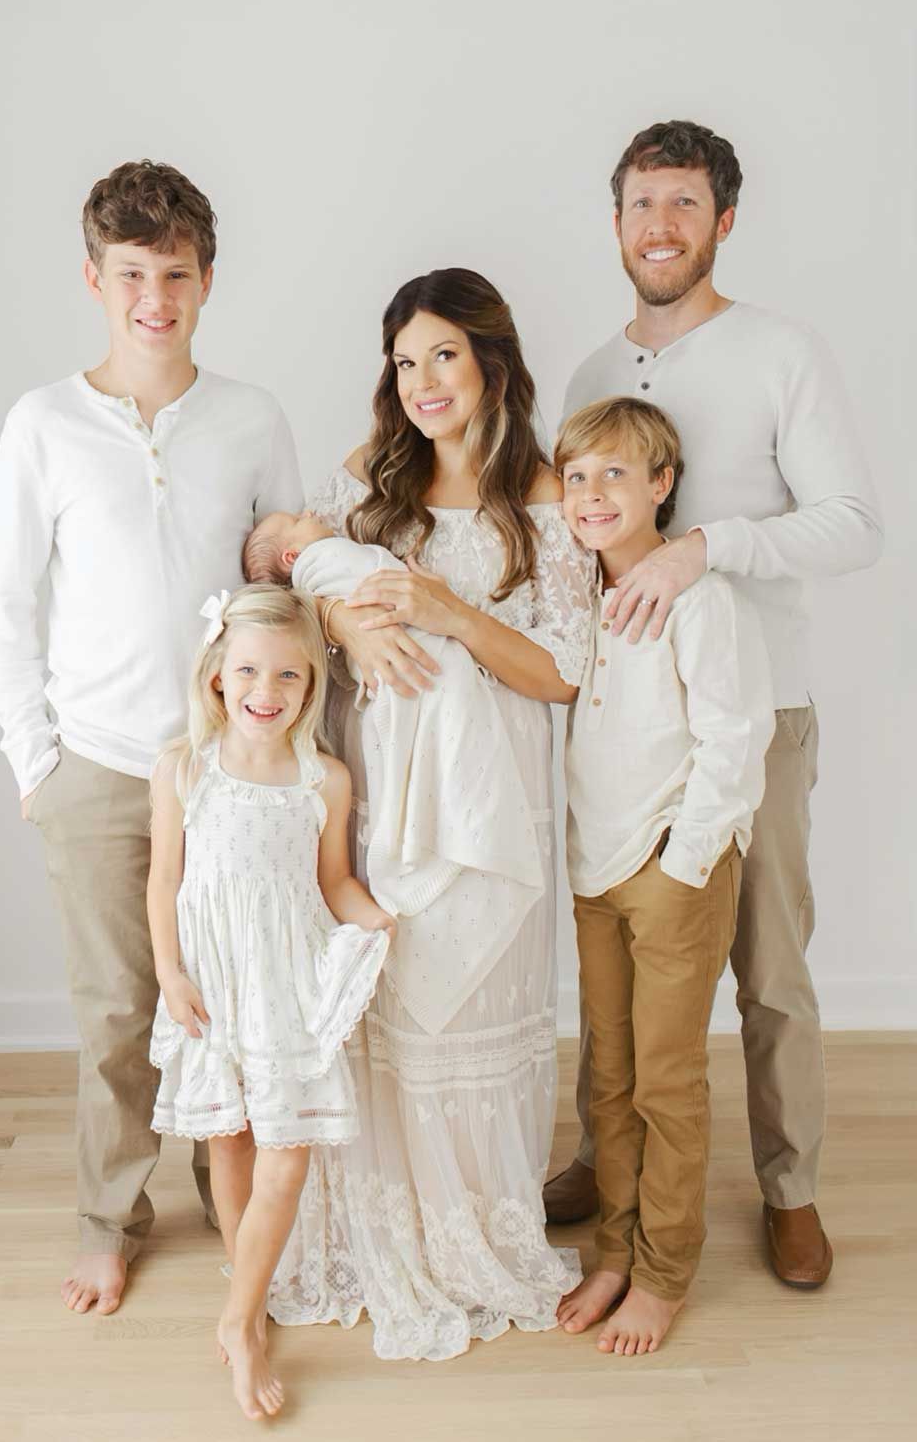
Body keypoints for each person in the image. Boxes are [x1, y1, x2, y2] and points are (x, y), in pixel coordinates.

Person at [543, 120, 883, 1289]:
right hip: (626, 729)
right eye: (642, 203)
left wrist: (706, 550)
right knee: (619, 959)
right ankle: (606, 1154)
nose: (660, 226)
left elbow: (853, 522)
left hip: (757, 710)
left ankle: (789, 1186)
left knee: (767, 964)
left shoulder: (781, 351)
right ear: (617, 219)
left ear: (722, 220)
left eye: (684, 203)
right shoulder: (592, 375)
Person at [0, 160, 303, 1316]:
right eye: (131, 274)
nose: (153, 296)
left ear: (206, 280)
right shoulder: (43, 424)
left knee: (234, 996)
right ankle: (107, 1214)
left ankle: (238, 1199)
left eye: (174, 272)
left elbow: (281, 596)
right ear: (94, 278)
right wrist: (38, 767)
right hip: (100, 765)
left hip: (229, 770)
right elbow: (6, 607)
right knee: (117, 1006)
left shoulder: (252, 417)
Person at [265, 268, 594, 1360]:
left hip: (490, 801)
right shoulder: (370, 481)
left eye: (442, 355)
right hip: (377, 784)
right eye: (404, 361)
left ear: (492, 360)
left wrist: (449, 609)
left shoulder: (545, 496)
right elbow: (305, 582)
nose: (421, 382)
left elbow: (559, 673)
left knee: (470, 1011)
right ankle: (387, 1221)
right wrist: (353, 628)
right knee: (388, 1006)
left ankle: (473, 1229)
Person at [551, 396, 773, 1352]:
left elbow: (736, 735)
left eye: (616, 474)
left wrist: (685, 861)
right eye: (576, 476)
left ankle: (665, 1267)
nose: (593, 493)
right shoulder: (574, 596)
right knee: (609, 1077)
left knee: (666, 1080)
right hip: (595, 868)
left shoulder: (699, 596)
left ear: (662, 485)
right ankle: (614, 1248)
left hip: (673, 869)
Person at [147, 585, 392, 1419]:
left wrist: (379, 921)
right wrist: (170, 972)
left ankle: (238, 1319)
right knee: (232, 1144)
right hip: (213, 982)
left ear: (311, 684)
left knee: (287, 1157)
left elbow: (334, 882)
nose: (268, 689)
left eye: (289, 674)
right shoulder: (184, 768)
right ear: (217, 672)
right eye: (250, 668)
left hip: (285, 981)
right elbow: (164, 881)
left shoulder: (324, 777)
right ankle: (248, 1302)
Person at [242, 509, 545, 1035]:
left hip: (443, 661)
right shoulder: (324, 558)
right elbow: (295, 614)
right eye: (296, 520)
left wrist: (444, 610)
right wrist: (336, 611)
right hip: (412, 671)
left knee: (444, 708)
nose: (310, 512)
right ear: (295, 558)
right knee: (438, 700)